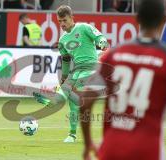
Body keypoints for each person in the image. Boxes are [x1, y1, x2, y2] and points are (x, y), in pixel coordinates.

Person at [80, 0, 166, 159]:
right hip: (148, 152)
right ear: (165, 19)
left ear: (136, 18)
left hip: (110, 151)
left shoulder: (113, 55)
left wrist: (88, 142)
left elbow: (85, 102)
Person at [33, 5, 109, 143]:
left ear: (71, 18)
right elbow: (66, 60)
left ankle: (53, 102)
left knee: (73, 96)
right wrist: (64, 77)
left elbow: (99, 37)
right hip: (76, 71)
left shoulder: (84, 28)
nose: (62, 24)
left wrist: (102, 42)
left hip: (91, 68)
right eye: (59, 21)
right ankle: (71, 133)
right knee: (68, 99)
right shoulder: (62, 41)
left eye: (64, 20)